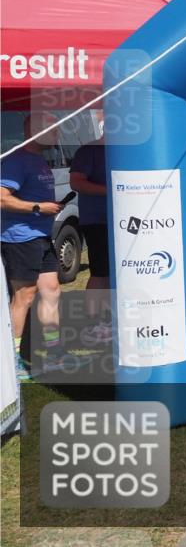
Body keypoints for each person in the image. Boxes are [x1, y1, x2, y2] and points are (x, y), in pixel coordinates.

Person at [1, 115, 82, 377]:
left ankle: (55, 354)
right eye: (53, 130)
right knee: (23, 296)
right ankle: (12, 363)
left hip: (42, 235)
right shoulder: (15, 160)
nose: (58, 135)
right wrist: (38, 207)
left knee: (51, 290)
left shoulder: (38, 160)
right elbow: (2, 198)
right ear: (35, 131)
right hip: (21, 237)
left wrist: (47, 209)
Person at [69, 129, 113, 345]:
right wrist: (112, 190)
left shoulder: (127, 150)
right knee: (101, 272)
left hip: (124, 221)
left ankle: (110, 320)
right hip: (97, 220)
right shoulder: (89, 151)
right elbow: (76, 182)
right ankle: (95, 323)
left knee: (117, 273)